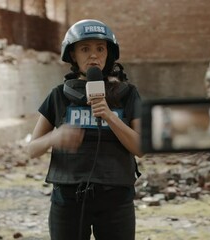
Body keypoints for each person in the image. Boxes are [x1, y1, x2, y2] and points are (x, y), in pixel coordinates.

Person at [27, 19, 143, 240]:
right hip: (68, 200)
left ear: (109, 53)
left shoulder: (128, 94)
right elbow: (32, 149)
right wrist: (55, 136)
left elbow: (141, 148)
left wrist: (109, 116)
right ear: (72, 54)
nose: (94, 56)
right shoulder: (58, 95)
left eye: (100, 49)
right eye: (85, 49)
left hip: (116, 200)